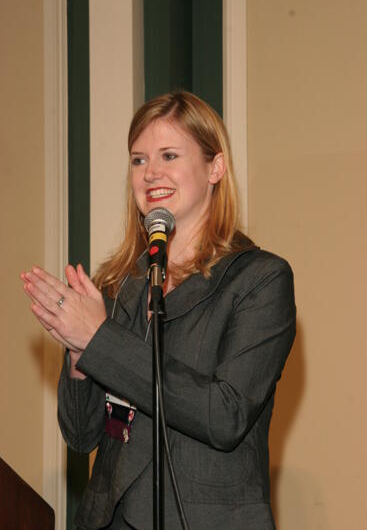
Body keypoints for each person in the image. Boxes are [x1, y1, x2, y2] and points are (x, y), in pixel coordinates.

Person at [21, 91, 296, 530]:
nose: (151, 173)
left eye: (169, 155)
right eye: (138, 160)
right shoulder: (117, 283)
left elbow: (224, 415)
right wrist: (78, 355)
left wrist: (99, 340)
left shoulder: (259, 279)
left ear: (215, 167)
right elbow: (81, 435)